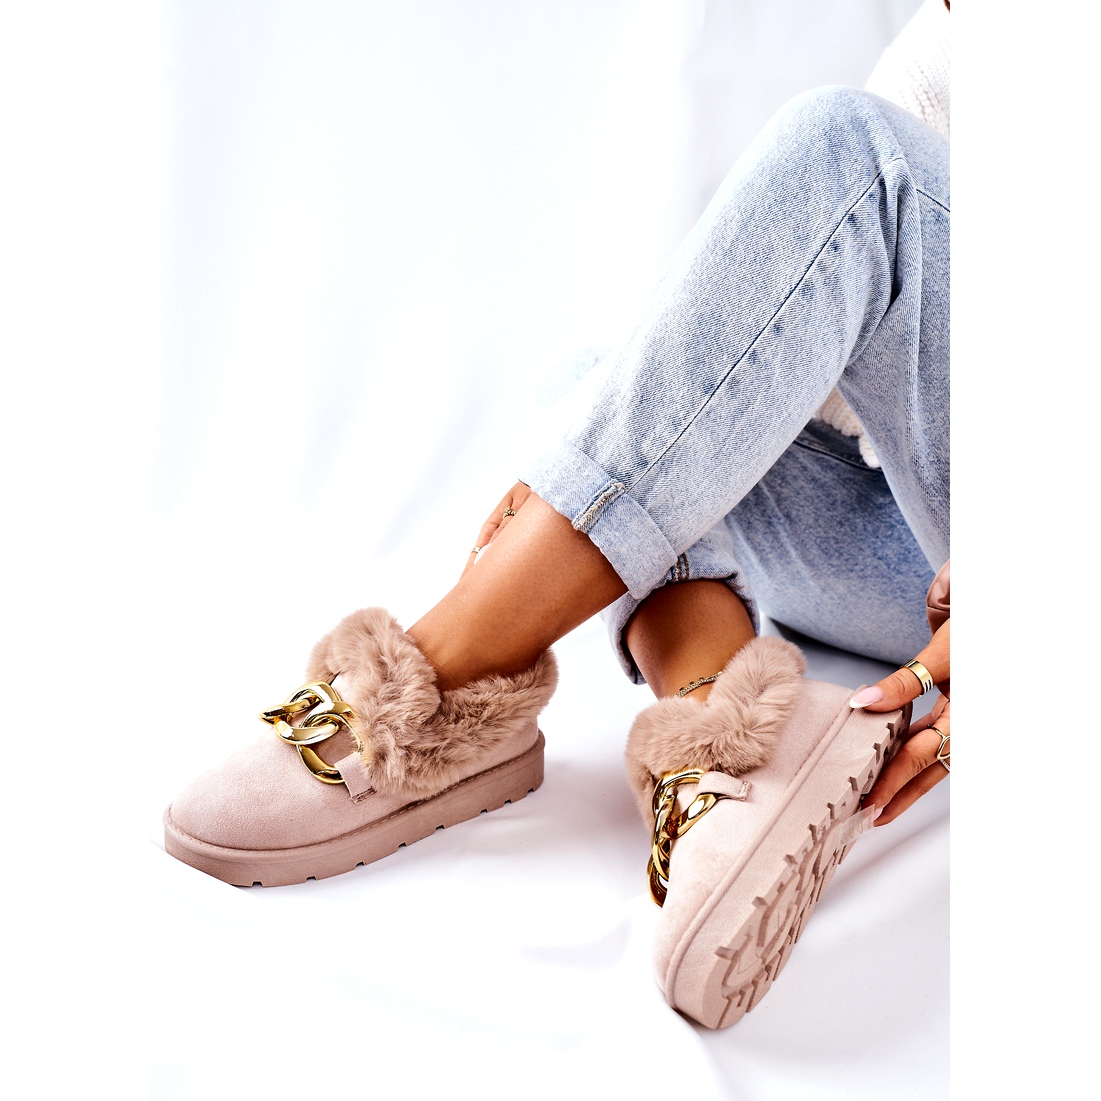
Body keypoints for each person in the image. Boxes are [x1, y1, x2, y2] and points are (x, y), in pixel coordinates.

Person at [163, 0, 950, 1029]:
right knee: (593, 381)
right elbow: (851, 333)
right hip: (920, 566)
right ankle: (721, 756)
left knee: (851, 148)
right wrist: (602, 456)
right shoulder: (964, 41)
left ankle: (435, 692)